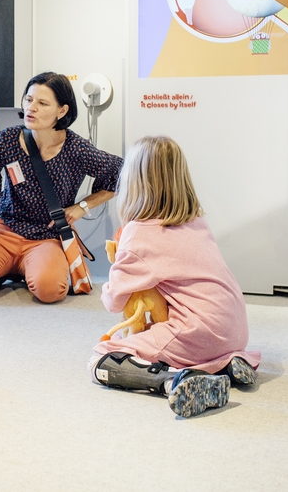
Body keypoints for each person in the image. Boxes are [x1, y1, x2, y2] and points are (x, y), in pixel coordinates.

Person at [89, 136, 261, 418]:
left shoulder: (139, 233)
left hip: (198, 331)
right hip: (236, 331)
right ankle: (224, 363)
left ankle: (172, 382)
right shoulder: (196, 221)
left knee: (102, 359)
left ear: (133, 184)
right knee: (190, 338)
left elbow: (114, 301)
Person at [0, 72, 123, 303]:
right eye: (29, 99)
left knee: (50, 290)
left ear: (62, 111)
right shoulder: (8, 139)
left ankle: (26, 267)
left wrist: (82, 206)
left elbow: (123, 173)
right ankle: (12, 267)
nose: (32, 108)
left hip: (46, 235)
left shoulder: (76, 149)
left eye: (42, 103)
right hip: (4, 229)